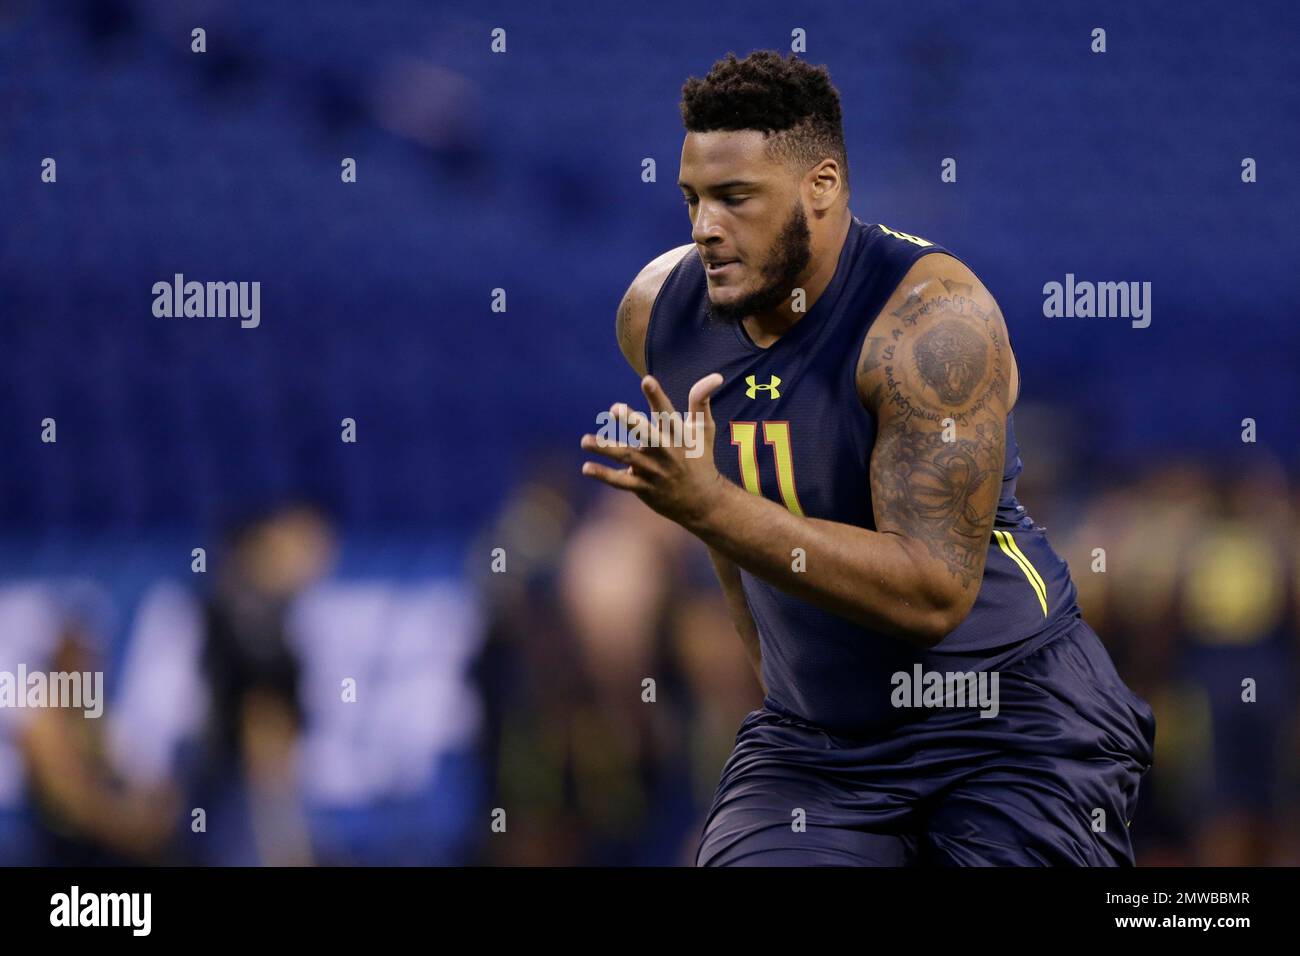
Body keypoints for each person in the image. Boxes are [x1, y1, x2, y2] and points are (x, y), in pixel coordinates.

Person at [580, 50, 1155, 865]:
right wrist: (785, 687)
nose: (706, 226)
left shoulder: (933, 321)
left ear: (822, 188)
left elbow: (931, 592)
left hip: (1009, 717)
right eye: (694, 199)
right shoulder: (658, 316)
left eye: (736, 198)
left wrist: (708, 504)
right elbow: (725, 525)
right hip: (820, 745)